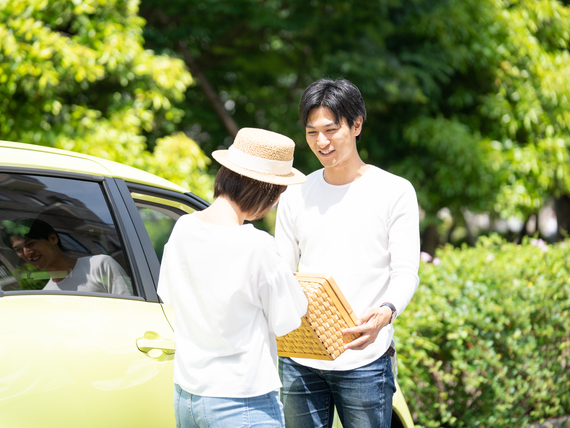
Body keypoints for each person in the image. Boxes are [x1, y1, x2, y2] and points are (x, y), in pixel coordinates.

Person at [275, 78, 420, 428]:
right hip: (300, 356)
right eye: (312, 132)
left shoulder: (394, 191)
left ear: (356, 125)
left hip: (365, 359)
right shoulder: (296, 193)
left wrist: (386, 311)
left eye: (331, 129)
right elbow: (280, 270)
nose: (321, 142)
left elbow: (405, 272)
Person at [158, 127, 309, 428]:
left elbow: (167, 293)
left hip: (188, 397)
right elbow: (288, 319)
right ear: (265, 191)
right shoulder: (256, 245)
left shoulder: (183, 228)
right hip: (241, 400)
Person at [2, 218, 133, 295]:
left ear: (52, 238)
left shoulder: (99, 265)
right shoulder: (47, 294)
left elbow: (131, 310)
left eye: (31, 244)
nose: (26, 253)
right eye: (19, 249)